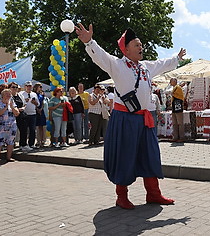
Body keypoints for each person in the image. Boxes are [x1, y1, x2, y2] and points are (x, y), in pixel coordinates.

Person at [76, 24, 186, 209]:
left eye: (140, 44)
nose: (140, 47)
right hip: (125, 117)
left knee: (150, 154)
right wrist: (89, 42)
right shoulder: (117, 65)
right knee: (125, 155)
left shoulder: (146, 67)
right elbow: (100, 56)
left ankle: (154, 194)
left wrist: (177, 58)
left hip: (145, 118)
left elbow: (163, 64)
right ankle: (122, 196)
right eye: (136, 44)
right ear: (125, 49)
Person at [0, 89, 19, 164]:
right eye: (6, 94)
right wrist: (5, 107)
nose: (8, 96)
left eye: (9, 94)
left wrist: (12, 107)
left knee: (10, 142)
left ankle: (8, 157)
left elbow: (17, 113)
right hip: (1, 126)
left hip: (12, 126)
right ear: (2, 96)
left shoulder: (13, 103)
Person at [8, 82, 30, 152]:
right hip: (12, 115)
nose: (15, 89)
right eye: (13, 87)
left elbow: (24, 104)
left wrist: (23, 108)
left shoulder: (20, 95)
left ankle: (23, 144)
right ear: (9, 88)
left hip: (21, 114)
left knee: (24, 129)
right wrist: (16, 110)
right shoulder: (8, 96)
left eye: (16, 87)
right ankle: (10, 145)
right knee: (12, 132)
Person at [20, 81, 40, 149]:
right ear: (25, 87)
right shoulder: (21, 94)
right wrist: (25, 101)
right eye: (27, 86)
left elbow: (38, 104)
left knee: (32, 130)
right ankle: (23, 144)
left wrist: (35, 102)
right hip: (24, 114)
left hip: (33, 113)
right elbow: (19, 103)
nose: (29, 87)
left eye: (30, 86)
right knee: (24, 130)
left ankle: (31, 144)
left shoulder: (34, 94)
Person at [170, 78, 185, 142]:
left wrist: (173, 94)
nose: (170, 82)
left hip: (178, 106)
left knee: (180, 123)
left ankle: (181, 137)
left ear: (174, 82)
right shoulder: (174, 88)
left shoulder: (178, 87)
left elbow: (181, 96)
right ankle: (175, 137)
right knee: (174, 123)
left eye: (171, 81)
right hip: (174, 107)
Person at [33, 83, 47, 148]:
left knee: (42, 126)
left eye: (41, 87)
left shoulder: (42, 95)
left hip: (41, 111)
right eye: (40, 87)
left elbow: (42, 103)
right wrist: (37, 109)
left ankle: (43, 140)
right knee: (37, 126)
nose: (41, 88)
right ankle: (38, 141)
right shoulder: (34, 94)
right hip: (35, 111)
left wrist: (41, 109)